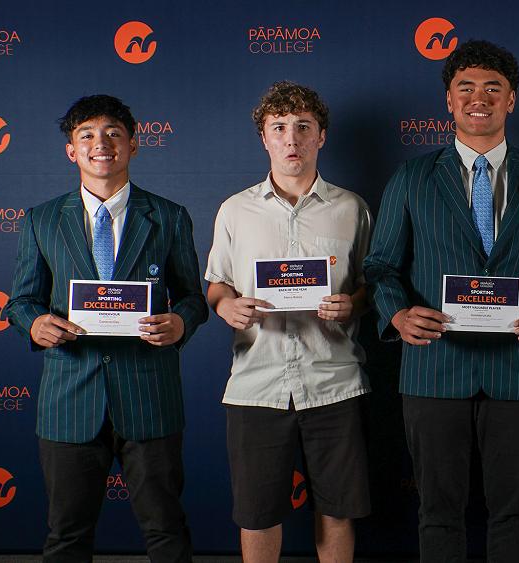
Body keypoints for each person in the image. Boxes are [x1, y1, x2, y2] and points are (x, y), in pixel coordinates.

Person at [363, 40, 519, 562]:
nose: (478, 98)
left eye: (493, 88)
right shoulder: (412, 177)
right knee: (438, 511)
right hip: (434, 366)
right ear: (449, 100)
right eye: (465, 88)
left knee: (515, 511)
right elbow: (379, 267)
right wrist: (397, 313)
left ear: (512, 100)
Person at [6, 94, 208, 562]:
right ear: (71, 151)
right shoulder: (41, 220)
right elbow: (21, 301)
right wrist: (35, 325)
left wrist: (180, 322)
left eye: (114, 133)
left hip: (149, 396)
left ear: (134, 144)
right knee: (66, 537)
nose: (102, 144)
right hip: (69, 399)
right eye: (87, 135)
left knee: (167, 531)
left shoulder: (169, 216)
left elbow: (193, 297)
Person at [204, 81, 372, 563]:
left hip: (334, 381)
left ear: (322, 136)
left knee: (337, 510)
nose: (291, 138)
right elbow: (216, 283)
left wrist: (353, 304)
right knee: (257, 513)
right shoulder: (235, 210)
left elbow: (372, 286)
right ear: (264, 138)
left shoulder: (352, 208)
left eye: (303, 126)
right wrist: (225, 306)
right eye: (278, 128)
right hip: (256, 384)